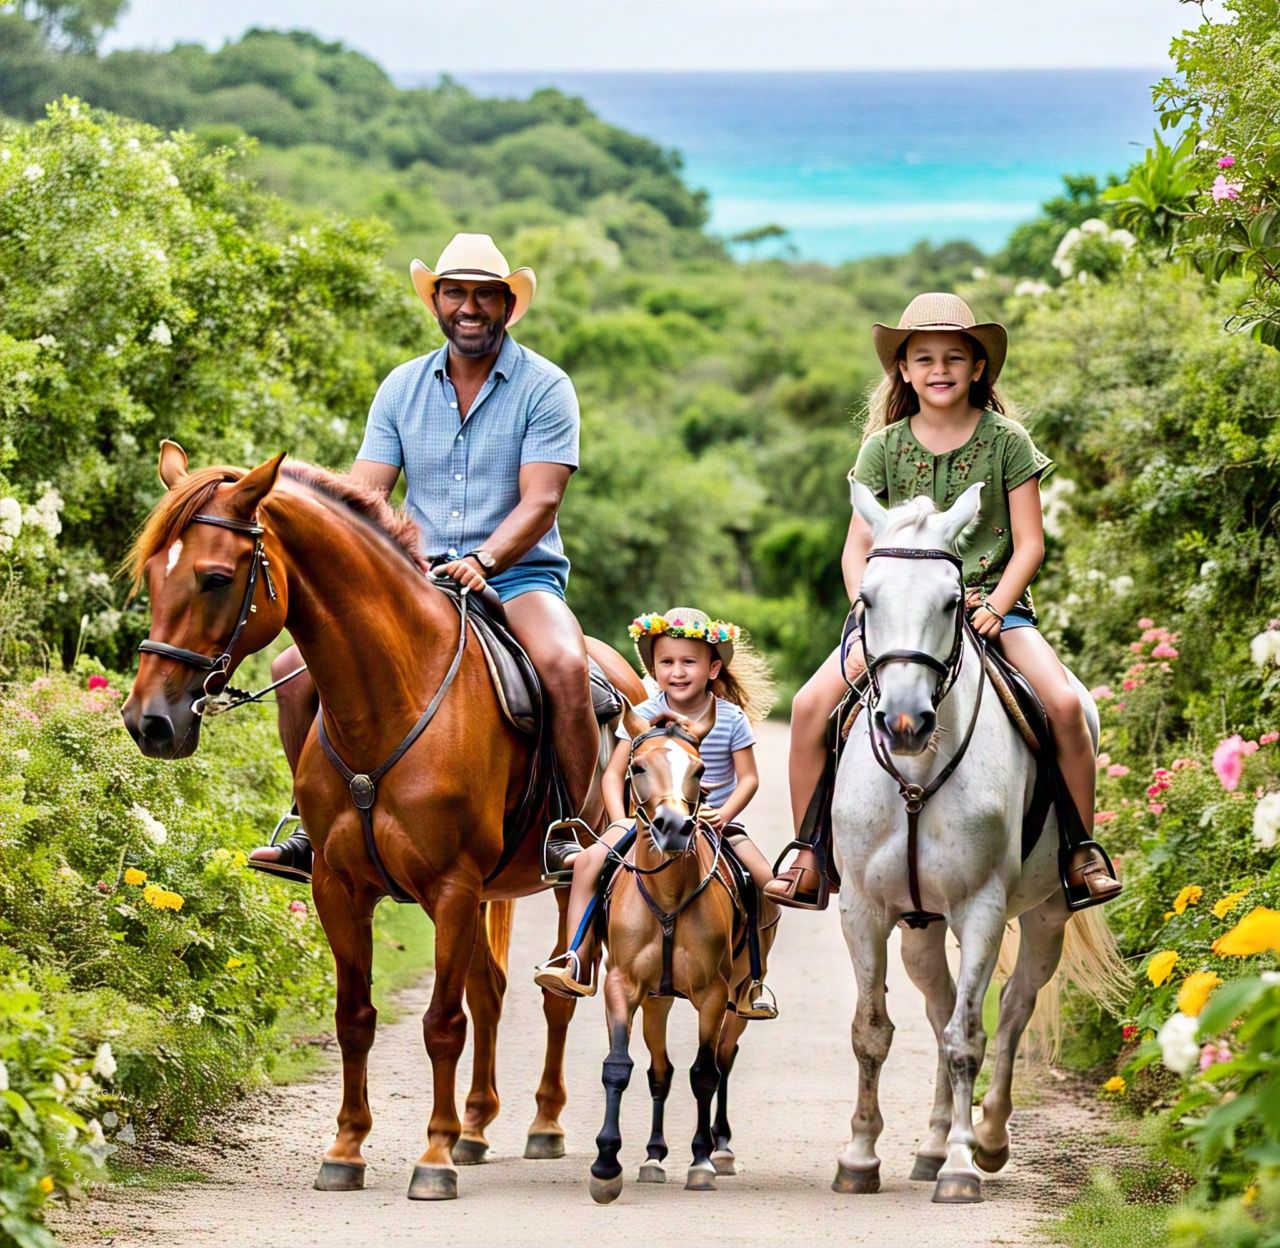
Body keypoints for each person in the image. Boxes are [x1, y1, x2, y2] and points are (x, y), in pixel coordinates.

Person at [248, 233, 597, 883]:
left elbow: (542, 500)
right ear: (435, 301)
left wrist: (486, 560)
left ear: (507, 305)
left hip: (517, 574)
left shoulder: (546, 387)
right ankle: (309, 825)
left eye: (484, 295)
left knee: (564, 665)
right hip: (414, 579)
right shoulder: (402, 388)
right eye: (456, 293)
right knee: (292, 672)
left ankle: (573, 830)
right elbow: (366, 495)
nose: (470, 307)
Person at [765, 292, 1122, 911]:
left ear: (978, 367)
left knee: (1064, 704)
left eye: (954, 357)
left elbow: (1030, 544)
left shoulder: (1007, 441)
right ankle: (810, 853)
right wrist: (866, 611)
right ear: (902, 370)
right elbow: (857, 549)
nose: (939, 369)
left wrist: (994, 605)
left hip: (994, 606)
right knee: (807, 706)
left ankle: (1078, 850)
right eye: (923, 357)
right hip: (898, 618)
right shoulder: (882, 447)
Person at [533, 606, 779, 1015]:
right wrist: (619, 820)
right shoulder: (642, 715)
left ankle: (753, 977)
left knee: (766, 883)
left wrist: (725, 812)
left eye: (689, 662)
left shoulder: (731, 718)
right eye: (666, 662)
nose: (677, 671)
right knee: (589, 861)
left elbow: (749, 778)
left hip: (713, 822)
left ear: (713, 668)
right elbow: (613, 776)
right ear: (654, 668)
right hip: (647, 823)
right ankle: (576, 957)